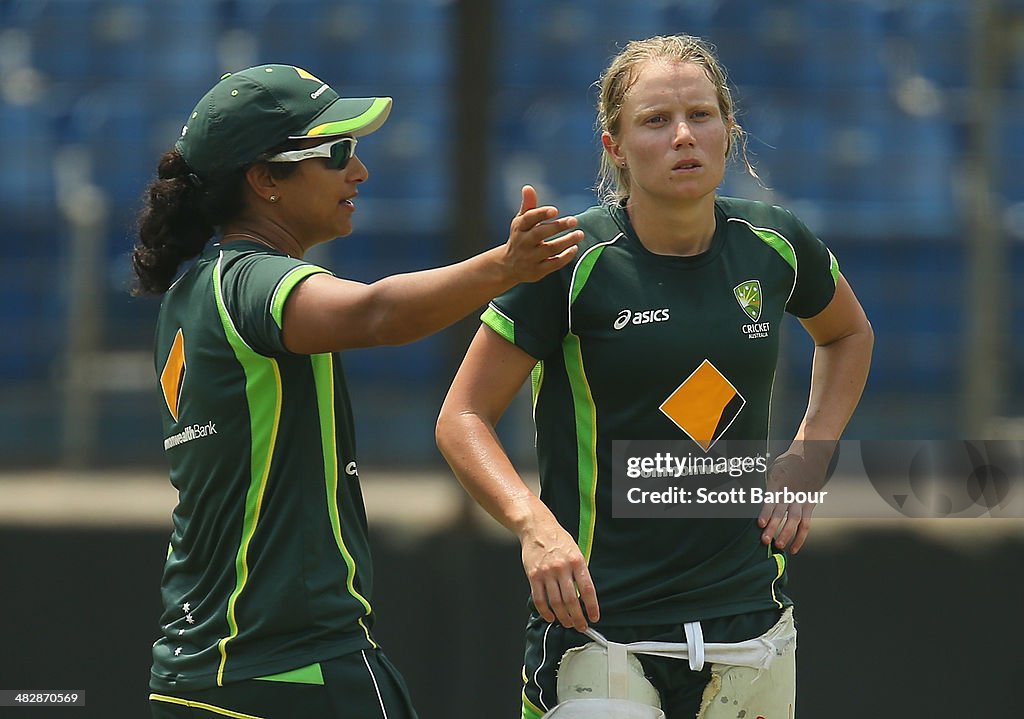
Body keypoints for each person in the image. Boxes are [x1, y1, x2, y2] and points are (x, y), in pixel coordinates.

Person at [435, 35, 873, 719]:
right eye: (654, 121)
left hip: (750, 626)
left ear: (729, 131)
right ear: (614, 146)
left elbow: (848, 334)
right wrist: (534, 526)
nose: (683, 136)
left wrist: (810, 452)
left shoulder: (776, 242)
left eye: (701, 115)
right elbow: (461, 417)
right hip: (600, 629)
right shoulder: (568, 262)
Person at [132, 64, 581, 719]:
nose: (359, 171)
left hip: (190, 675)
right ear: (265, 180)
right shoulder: (252, 281)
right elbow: (376, 314)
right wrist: (504, 266)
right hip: (293, 670)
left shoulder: (191, 292)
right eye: (337, 152)